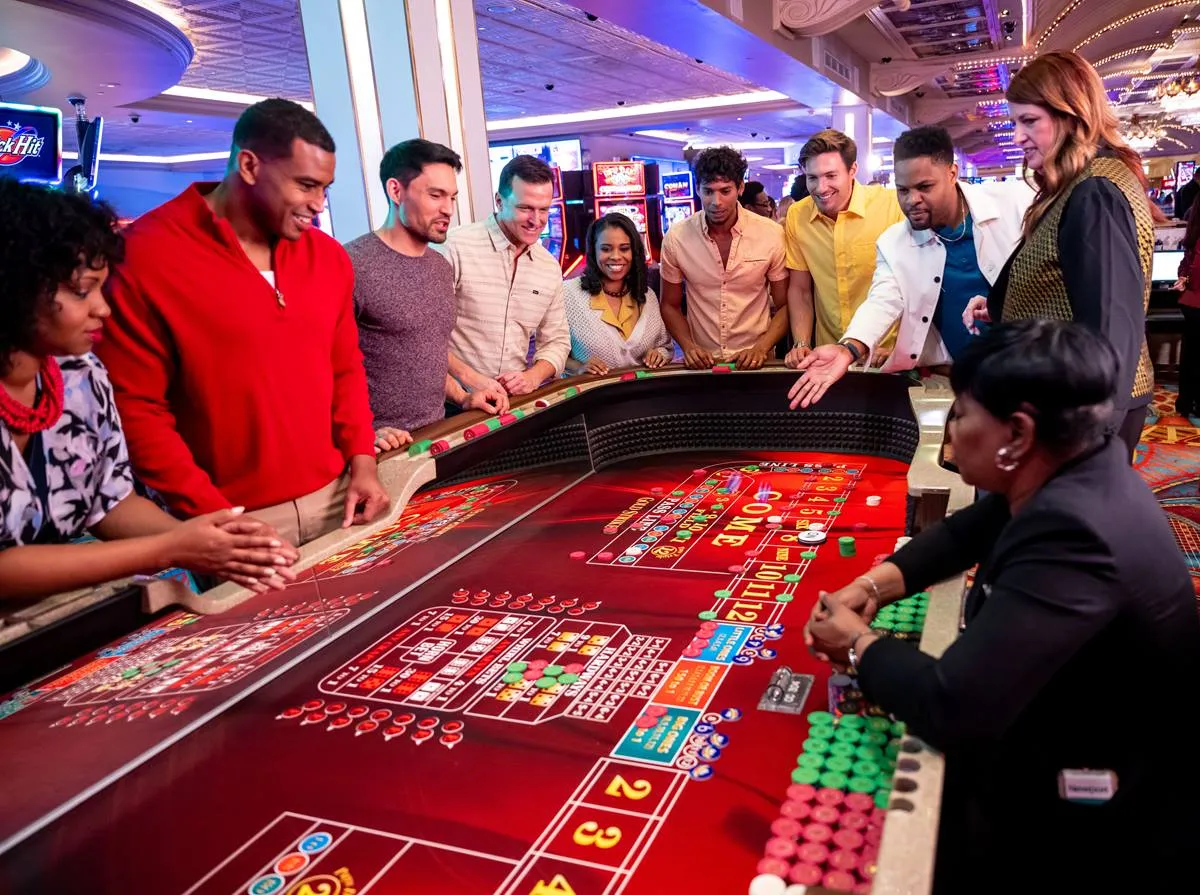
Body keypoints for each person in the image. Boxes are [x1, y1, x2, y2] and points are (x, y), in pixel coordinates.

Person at [806, 320, 1200, 892]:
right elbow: (969, 529)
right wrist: (872, 587)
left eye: (961, 414)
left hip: (1104, 810)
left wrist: (857, 646)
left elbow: (951, 706)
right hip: (1078, 728)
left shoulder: (1075, 535)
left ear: (1017, 434)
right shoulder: (1082, 463)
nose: (949, 434)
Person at [99, 99, 389, 547]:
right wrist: (214, 518)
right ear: (250, 166)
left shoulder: (329, 258)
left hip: (340, 497)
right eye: (306, 185)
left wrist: (363, 462)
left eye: (325, 189)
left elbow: (345, 369)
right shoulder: (144, 255)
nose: (318, 204)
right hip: (232, 517)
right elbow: (137, 409)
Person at [0, 179, 298, 599]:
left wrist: (218, 539)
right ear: (15, 289)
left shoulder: (81, 375)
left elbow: (110, 502)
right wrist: (170, 548)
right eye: (83, 292)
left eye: (102, 288)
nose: (103, 308)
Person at [964, 51, 1157, 461]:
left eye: (1029, 121)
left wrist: (1091, 440)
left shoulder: (1095, 191)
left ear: (1072, 116)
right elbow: (1061, 282)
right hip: (1063, 401)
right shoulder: (1076, 183)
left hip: (1083, 413)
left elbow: (1110, 330)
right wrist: (999, 306)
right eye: (1014, 123)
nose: (1017, 137)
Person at [787, 126, 1031, 408]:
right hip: (968, 379)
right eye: (903, 190)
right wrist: (847, 349)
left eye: (924, 187)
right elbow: (883, 300)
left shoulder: (1014, 203)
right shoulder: (895, 241)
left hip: (1036, 368)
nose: (912, 200)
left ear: (952, 173)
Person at [345, 139, 508, 454]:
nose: (448, 209)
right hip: (379, 451)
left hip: (435, 439)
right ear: (396, 191)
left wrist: (463, 397)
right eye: (436, 195)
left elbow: (425, 350)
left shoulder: (439, 266)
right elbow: (316, 369)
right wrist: (362, 431)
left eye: (452, 197)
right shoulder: (351, 265)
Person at [443, 155, 569, 396]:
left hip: (514, 403)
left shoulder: (549, 266)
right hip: (453, 401)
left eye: (544, 209)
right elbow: (424, 336)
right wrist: (470, 380)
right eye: (525, 208)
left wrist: (532, 377)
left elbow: (557, 341)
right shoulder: (455, 247)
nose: (536, 220)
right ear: (499, 202)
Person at [659, 146, 790, 369]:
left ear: (740, 188)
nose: (716, 201)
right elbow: (669, 305)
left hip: (758, 362)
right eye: (708, 191)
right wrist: (688, 346)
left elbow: (786, 305)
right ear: (697, 189)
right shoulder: (677, 238)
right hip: (703, 365)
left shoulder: (770, 234)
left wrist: (761, 347)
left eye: (725, 191)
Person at [783, 129, 904, 366]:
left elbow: (912, 285)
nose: (821, 187)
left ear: (853, 170)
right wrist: (801, 343)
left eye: (831, 176)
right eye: (812, 178)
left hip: (885, 354)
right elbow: (800, 290)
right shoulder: (797, 215)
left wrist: (903, 347)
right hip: (828, 353)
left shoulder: (891, 206)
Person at [563, 213, 673, 375]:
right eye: (606, 249)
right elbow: (550, 350)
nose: (615, 256)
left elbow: (665, 346)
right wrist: (578, 367)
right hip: (590, 390)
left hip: (641, 389)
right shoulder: (568, 293)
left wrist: (658, 355)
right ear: (593, 251)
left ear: (634, 252)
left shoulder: (648, 296)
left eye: (624, 248)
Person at [1172, 204, 1200, 417]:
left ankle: (1186, 402)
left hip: (1190, 301)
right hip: (1197, 300)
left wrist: (1184, 278)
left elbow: (1187, 264)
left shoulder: (1194, 229)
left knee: (1190, 353)